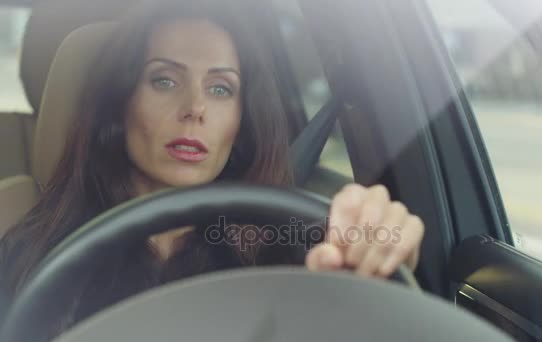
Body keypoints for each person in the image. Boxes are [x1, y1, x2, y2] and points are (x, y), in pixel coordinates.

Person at [0, 0, 424, 338]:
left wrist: (381, 246)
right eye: (164, 80)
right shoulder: (30, 251)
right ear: (118, 105)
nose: (195, 109)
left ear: (242, 123)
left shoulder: (293, 248)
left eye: (221, 88)